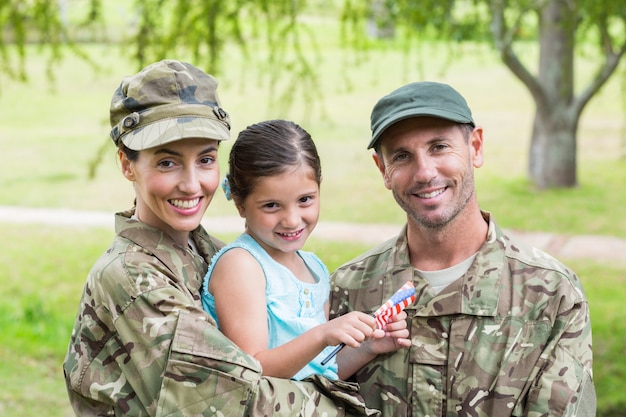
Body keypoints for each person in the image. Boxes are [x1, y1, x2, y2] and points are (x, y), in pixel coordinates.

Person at [62, 59, 382, 417]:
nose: (191, 183)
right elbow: (234, 400)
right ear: (127, 164)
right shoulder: (133, 277)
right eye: (167, 163)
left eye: (206, 159)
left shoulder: (208, 250)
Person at [328, 81, 596, 416]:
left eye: (439, 147)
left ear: (476, 147)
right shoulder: (347, 290)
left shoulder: (552, 295)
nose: (425, 172)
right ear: (383, 170)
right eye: (402, 156)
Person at [201, 119, 410, 382]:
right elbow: (251, 371)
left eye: (305, 200)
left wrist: (369, 346)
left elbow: (319, 374)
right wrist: (322, 335)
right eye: (271, 205)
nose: (292, 219)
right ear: (240, 203)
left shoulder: (314, 269)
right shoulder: (242, 266)